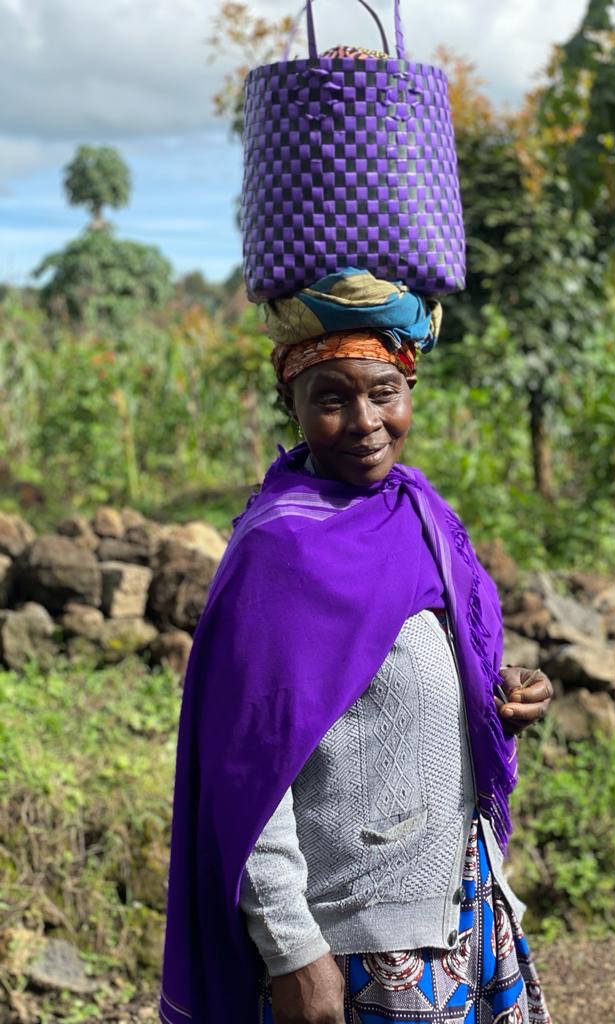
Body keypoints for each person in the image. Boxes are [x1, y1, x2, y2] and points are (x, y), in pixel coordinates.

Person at [159, 269, 554, 1024]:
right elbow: (250, 767)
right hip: (356, 945)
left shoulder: (418, 515)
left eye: (383, 392)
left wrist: (499, 697)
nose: (366, 420)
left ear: (409, 390)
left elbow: (404, 682)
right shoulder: (280, 553)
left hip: (458, 907)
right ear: (293, 406)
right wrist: (294, 953)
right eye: (331, 399)